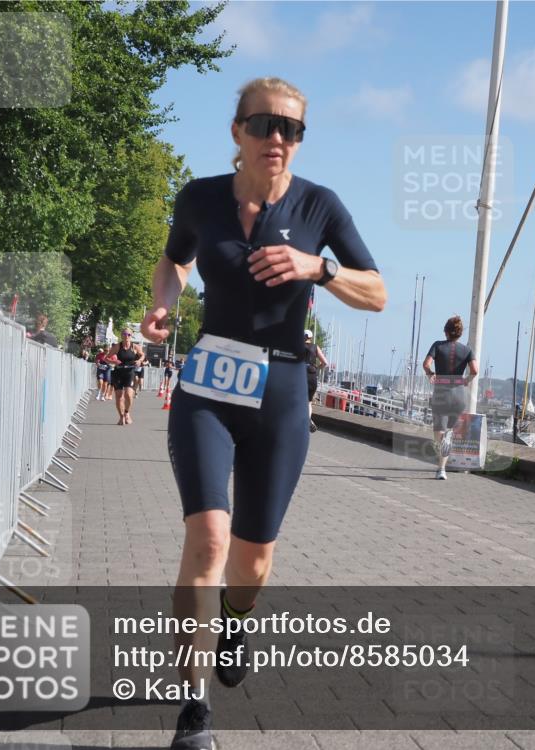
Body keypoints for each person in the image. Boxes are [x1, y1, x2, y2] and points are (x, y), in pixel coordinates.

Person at [140, 76, 385, 750]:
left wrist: (320, 269)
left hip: (279, 392)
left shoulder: (320, 208)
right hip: (209, 385)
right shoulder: (200, 199)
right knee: (208, 540)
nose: (279, 139)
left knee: (251, 564)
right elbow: (173, 263)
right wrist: (162, 305)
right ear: (237, 132)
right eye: (265, 125)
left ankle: (237, 620)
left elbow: (379, 293)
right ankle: (193, 710)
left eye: (293, 129)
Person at [423, 315, 478, 481]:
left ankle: (441, 467)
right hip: (459, 394)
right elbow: (475, 370)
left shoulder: (437, 346)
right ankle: (441, 468)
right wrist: (466, 381)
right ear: (460, 333)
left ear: (446, 331)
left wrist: (430, 374)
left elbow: (426, 364)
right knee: (447, 432)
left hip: (441, 392)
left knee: (438, 432)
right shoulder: (467, 350)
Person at [106, 328, 144, 425]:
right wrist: (113, 362)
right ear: (121, 335)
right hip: (118, 372)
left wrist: (139, 361)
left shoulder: (135, 347)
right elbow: (106, 358)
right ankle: (121, 416)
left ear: (131, 336)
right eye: (124, 334)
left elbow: (143, 355)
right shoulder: (117, 347)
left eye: (128, 334)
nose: (126, 336)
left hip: (129, 373)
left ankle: (127, 413)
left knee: (128, 395)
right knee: (119, 396)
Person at [304, 328, 329, 433]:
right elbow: (325, 362)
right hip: (312, 375)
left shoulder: (298, 346)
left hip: (301, 374)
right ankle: (308, 420)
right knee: (309, 402)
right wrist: (317, 367)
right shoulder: (315, 347)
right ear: (311, 338)